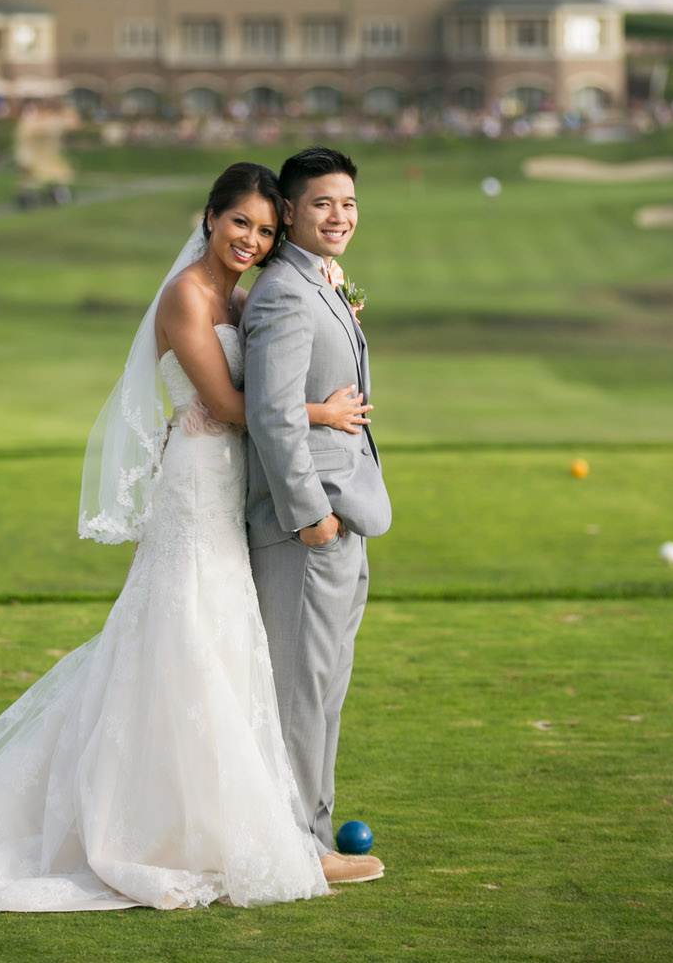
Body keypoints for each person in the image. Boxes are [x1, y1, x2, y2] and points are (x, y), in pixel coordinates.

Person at [0, 162, 367, 923]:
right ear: (208, 218)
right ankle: (149, 826)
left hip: (227, 485)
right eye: (240, 222)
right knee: (182, 635)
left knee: (219, 641)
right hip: (199, 481)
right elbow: (231, 403)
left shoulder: (242, 295)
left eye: (266, 230)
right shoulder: (184, 296)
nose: (251, 238)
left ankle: (206, 813)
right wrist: (319, 413)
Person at [242, 147, 392, 885]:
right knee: (301, 692)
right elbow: (271, 417)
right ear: (291, 211)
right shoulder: (282, 294)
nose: (340, 216)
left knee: (325, 686)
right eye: (324, 204)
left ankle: (315, 830)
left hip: (343, 521)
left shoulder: (316, 283)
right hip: (307, 529)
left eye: (350, 204)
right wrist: (310, 519)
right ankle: (301, 848)